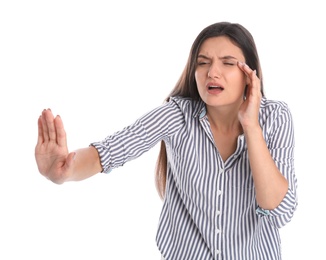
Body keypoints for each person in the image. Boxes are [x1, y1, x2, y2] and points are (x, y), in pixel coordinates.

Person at [35, 21, 298, 260]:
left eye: (228, 63)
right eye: (203, 62)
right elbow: (110, 152)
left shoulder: (275, 118)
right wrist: (64, 172)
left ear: (250, 74)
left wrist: (251, 126)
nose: (212, 72)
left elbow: (280, 210)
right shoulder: (176, 115)